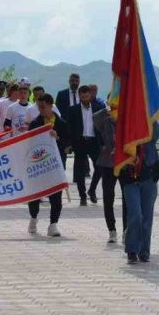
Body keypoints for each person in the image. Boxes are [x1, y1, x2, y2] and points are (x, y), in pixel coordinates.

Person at [26, 94, 71, 236]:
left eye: (43, 107)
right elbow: (29, 144)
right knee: (35, 196)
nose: (41, 110)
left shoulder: (61, 123)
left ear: (51, 106)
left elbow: (69, 144)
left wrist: (57, 138)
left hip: (55, 166)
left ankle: (53, 224)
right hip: (38, 166)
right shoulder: (35, 124)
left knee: (56, 196)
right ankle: (33, 218)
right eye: (39, 107)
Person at [121, 122, 159, 264]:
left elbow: (155, 134)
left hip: (149, 175)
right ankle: (132, 249)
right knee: (135, 214)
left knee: (147, 216)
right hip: (129, 178)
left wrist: (150, 119)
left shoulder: (150, 124)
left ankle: (144, 251)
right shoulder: (124, 125)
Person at [67, 85, 106, 205]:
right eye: (82, 96)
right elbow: (69, 128)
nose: (84, 98)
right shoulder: (73, 110)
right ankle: (82, 196)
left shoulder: (98, 107)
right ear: (79, 96)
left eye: (87, 96)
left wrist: (104, 143)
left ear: (90, 95)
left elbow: (103, 127)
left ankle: (92, 190)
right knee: (79, 171)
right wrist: (69, 144)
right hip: (80, 142)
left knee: (100, 167)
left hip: (94, 141)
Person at [93, 107, 120, 243]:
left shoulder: (126, 118)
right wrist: (107, 108)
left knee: (128, 197)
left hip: (124, 162)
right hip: (107, 163)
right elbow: (94, 117)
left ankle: (127, 229)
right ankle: (112, 229)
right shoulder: (104, 119)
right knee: (108, 197)